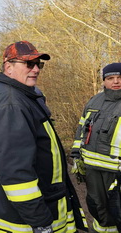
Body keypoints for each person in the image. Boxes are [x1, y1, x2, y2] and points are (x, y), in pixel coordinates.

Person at [0, 40, 88, 232]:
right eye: (29, 64)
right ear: (9, 67)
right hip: (19, 222)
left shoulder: (19, 95)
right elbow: (15, 173)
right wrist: (40, 221)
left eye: (39, 64)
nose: (36, 69)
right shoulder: (12, 103)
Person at [71, 63, 121, 232]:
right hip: (92, 168)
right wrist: (77, 156)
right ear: (104, 81)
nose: (116, 81)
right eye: (110, 78)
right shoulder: (94, 100)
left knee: (118, 210)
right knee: (97, 207)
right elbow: (81, 129)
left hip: (116, 171)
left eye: (120, 77)